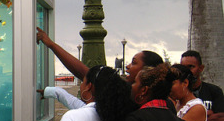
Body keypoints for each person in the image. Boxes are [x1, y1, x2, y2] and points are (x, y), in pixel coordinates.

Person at [35, 27, 163, 85]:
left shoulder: (128, 97)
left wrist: (52, 45)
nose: (128, 67)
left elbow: (84, 72)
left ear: (147, 71)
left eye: (134, 63)